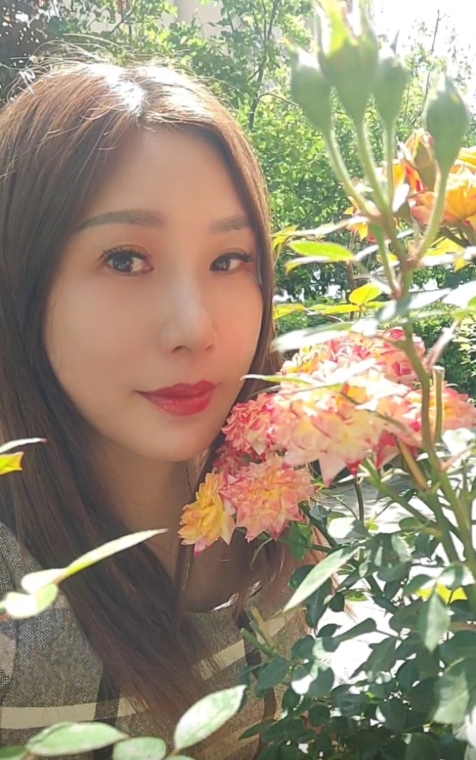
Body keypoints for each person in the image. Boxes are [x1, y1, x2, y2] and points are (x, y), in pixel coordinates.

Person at [0, 60, 312, 759]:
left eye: (229, 260)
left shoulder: (280, 498)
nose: (194, 328)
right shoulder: (15, 604)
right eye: (124, 259)